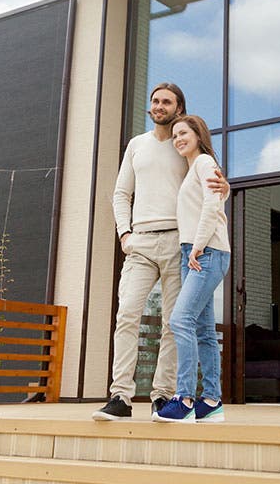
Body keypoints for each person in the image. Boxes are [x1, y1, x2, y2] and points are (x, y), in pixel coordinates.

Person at [93, 83, 227, 421]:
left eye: (167, 101)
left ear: (179, 107)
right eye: (155, 100)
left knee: (173, 322)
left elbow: (209, 184)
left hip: (177, 244)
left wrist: (225, 185)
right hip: (139, 243)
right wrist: (124, 233)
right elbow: (121, 193)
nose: (159, 106)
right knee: (127, 315)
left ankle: (163, 395)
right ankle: (120, 397)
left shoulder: (185, 147)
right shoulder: (137, 145)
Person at [153, 114, 230, 423]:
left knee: (180, 320)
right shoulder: (193, 168)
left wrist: (197, 246)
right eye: (175, 136)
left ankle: (184, 399)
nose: (178, 139)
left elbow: (213, 207)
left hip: (205, 252)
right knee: (203, 330)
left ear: (198, 134)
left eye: (183, 132)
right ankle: (211, 401)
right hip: (197, 252)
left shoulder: (205, 164)